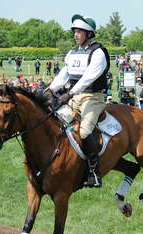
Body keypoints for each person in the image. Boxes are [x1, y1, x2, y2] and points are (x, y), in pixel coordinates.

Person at [46, 14, 110, 188]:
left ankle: (94, 173)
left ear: (89, 34)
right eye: (75, 31)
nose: (75, 34)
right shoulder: (73, 53)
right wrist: (50, 89)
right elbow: (64, 74)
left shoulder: (98, 52)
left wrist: (69, 93)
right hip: (74, 97)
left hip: (93, 97)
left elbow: (88, 78)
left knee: (84, 132)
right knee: (55, 122)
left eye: (80, 31)